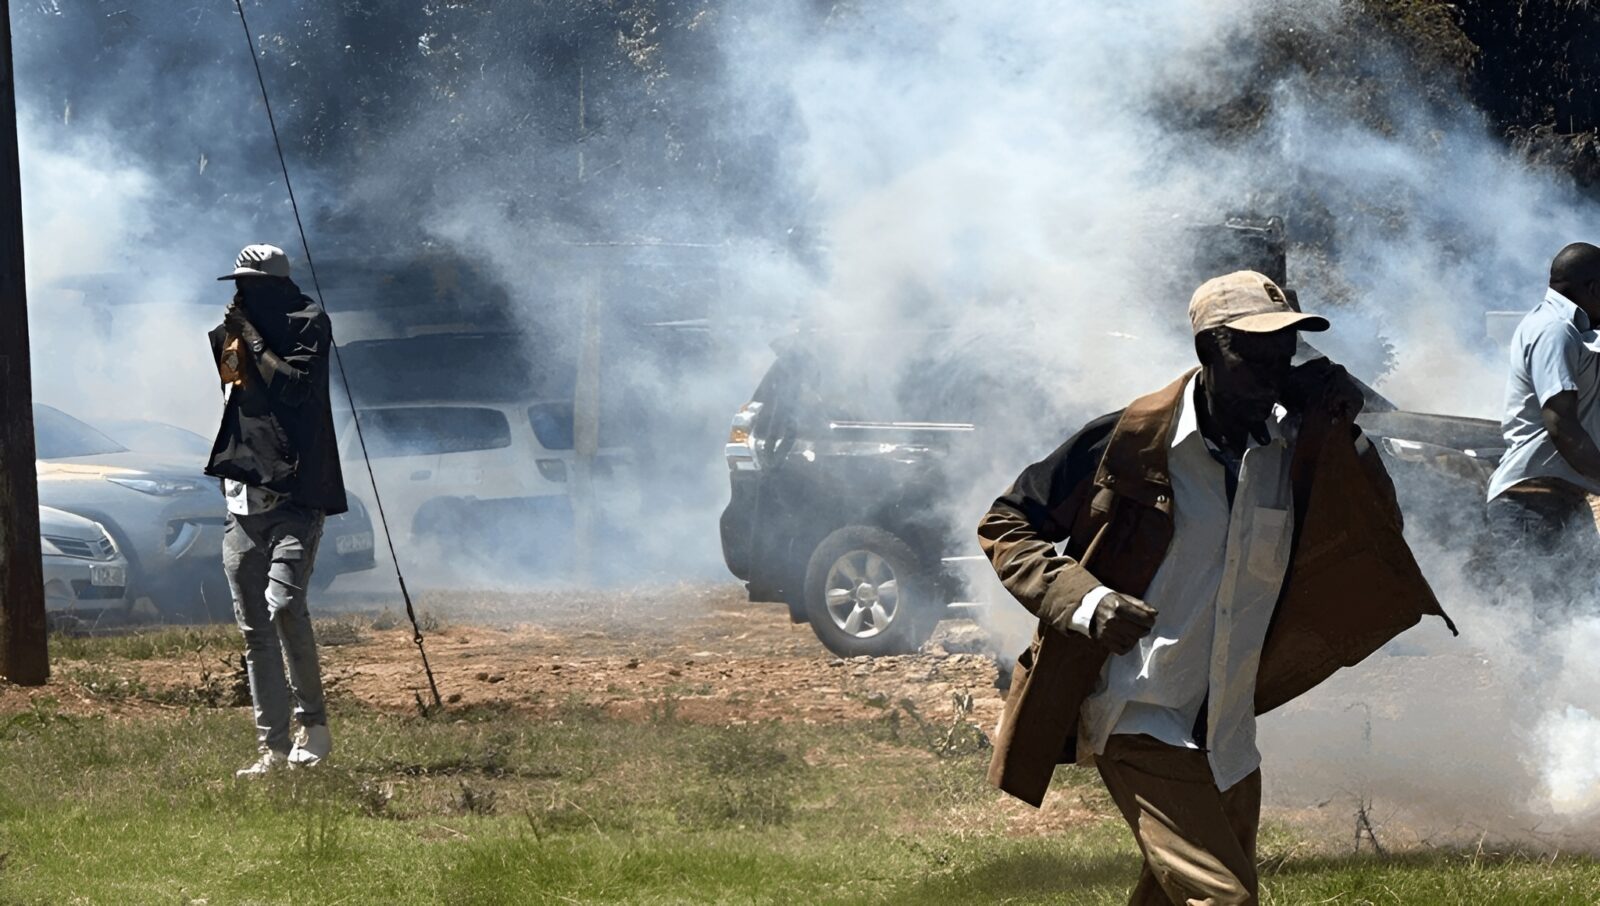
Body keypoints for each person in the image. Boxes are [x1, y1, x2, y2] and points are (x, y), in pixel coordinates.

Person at [977, 270, 1453, 905]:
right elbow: (1007, 523)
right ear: (1207, 351)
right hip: (1138, 710)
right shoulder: (1133, 441)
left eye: (1283, 355)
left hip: (1226, 730)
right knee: (1224, 900)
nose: (1270, 373)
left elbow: (1378, 530)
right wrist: (1086, 603)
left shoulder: (1292, 447)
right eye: (1250, 356)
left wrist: (1341, 429)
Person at [205, 244, 348, 778]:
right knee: (254, 631)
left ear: (274, 287)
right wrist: (232, 341)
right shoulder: (236, 333)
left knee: (284, 606)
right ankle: (273, 748)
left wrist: (255, 337)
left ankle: (315, 726)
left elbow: (293, 388)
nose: (239, 295)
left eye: (249, 285)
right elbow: (234, 387)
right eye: (236, 286)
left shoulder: (310, 322)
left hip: (296, 493)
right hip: (242, 498)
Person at [1483, 242, 1600, 601]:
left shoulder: (1574, 331)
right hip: (1530, 500)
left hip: (1559, 497)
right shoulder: (1554, 329)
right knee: (1544, 628)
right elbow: (1561, 424)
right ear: (1594, 288)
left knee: (1581, 615)